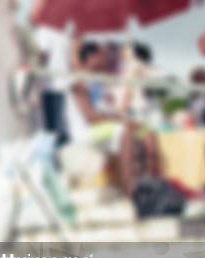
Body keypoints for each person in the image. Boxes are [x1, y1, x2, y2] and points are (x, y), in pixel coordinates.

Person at [66, 41, 160, 196]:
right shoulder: (79, 84)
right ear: (89, 57)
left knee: (147, 132)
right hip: (86, 132)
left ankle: (150, 182)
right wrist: (120, 120)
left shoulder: (99, 83)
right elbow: (91, 118)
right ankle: (132, 190)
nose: (105, 58)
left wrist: (130, 121)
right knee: (124, 130)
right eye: (100, 54)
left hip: (104, 127)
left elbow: (112, 113)